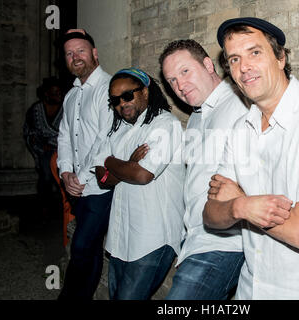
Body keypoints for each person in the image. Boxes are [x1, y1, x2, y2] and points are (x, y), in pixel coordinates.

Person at [203, 17, 299, 299]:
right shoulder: (240, 129)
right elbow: (211, 215)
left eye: (255, 53)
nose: (244, 67)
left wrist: (241, 204)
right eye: (234, 59)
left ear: (281, 57)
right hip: (250, 289)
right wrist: (239, 206)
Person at [159, 39, 249, 299]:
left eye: (185, 72)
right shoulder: (197, 117)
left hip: (226, 242)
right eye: (172, 80)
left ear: (208, 64)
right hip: (195, 238)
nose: (180, 85)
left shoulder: (241, 104)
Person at [87, 68, 185, 300]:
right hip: (120, 236)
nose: (121, 104)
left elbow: (142, 175)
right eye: (115, 100)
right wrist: (128, 163)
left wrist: (110, 161)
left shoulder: (164, 125)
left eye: (127, 95)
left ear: (145, 92)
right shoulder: (116, 130)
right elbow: (103, 181)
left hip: (153, 237)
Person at [56, 29, 114, 299]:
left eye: (80, 50)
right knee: (89, 251)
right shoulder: (70, 96)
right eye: (69, 53)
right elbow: (64, 136)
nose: (75, 57)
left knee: (80, 247)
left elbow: (106, 140)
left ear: (94, 53)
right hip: (78, 186)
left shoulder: (109, 88)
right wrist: (65, 171)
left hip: (100, 188)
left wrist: (78, 177)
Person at [23, 76, 64, 216]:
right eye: (54, 93)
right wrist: (43, 144)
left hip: (63, 150)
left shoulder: (65, 108)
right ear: (46, 94)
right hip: (44, 151)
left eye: (59, 93)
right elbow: (30, 132)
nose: (58, 96)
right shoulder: (36, 110)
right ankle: (45, 207)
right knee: (46, 175)